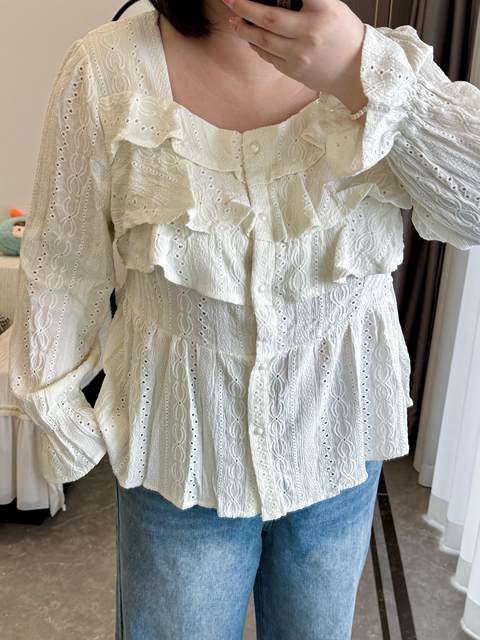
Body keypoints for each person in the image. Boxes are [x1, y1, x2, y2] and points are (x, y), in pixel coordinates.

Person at [8, 1, 480, 638]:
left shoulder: (380, 65)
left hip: (336, 444)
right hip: (180, 461)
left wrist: (357, 67)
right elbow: (63, 265)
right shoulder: (106, 71)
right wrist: (61, 413)